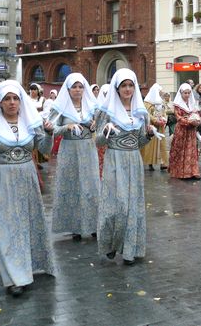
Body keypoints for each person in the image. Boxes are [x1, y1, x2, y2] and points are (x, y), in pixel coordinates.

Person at [0, 80, 55, 297]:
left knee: (27, 225)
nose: (12, 103)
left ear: (21, 101)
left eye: (15, 98)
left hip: (27, 180)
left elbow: (45, 150)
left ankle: (29, 267)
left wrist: (49, 134)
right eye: (7, 99)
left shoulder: (31, 122)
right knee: (7, 228)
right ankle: (14, 278)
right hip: (1, 181)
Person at [96, 68, 154, 265]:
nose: (128, 89)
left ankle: (129, 249)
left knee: (132, 207)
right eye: (124, 86)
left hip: (134, 162)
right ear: (117, 88)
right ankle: (111, 243)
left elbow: (139, 143)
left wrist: (149, 135)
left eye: (131, 85)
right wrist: (106, 132)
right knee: (116, 206)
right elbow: (98, 142)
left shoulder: (141, 112)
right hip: (114, 161)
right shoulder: (107, 111)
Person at [49, 73, 100, 241]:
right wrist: (67, 127)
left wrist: (94, 126)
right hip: (69, 149)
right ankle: (75, 226)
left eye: (80, 87)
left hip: (88, 148)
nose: (78, 90)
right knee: (72, 186)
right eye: (74, 87)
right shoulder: (60, 107)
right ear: (68, 89)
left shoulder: (92, 105)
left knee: (91, 186)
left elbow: (100, 126)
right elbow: (51, 128)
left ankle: (94, 225)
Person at [168, 83, 201, 179]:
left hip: (191, 132)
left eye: (188, 93)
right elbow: (178, 117)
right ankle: (180, 172)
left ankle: (193, 171)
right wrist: (189, 122)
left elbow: (197, 114)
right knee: (180, 151)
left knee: (191, 151)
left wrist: (198, 121)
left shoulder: (192, 103)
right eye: (185, 93)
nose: (187, 95)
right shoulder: (177, 105)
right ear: (181, 93)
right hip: (182, 130)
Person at [140, 83, 169, 171]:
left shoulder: (161, 102)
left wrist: (164, 119)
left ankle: (163, 162)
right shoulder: (147, 103)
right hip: (151, 126)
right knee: (150, 145)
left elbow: (164, 111)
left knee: (161, 144)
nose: (161, 93)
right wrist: (155, 120)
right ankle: (150, 162)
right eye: (159, 92)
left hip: (160, 127)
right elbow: (147, 114)